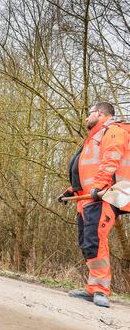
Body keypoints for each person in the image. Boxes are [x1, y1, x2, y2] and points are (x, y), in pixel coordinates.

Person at [58, 102, 126, 308]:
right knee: (87, 242)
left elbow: (111, 159)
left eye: (89, 114)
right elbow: (86, 169)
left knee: (96, 241)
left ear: (100, 113)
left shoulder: (112, 131)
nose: (86, 118)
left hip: (102, 197)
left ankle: (101, 290)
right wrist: (72, 189)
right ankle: (92, 288)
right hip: (86, 199)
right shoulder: (94, 137)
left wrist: (99, 186)